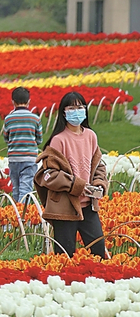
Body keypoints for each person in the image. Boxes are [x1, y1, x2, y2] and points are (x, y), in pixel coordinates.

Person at [33, 91, 108, 258]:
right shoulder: (58, 140)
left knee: (98, 251)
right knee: (64, 256)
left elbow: (98, 165)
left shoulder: (91, 136)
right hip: (64, 207)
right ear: (63, 112)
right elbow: (50, 175)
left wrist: (98, 184)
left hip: (88, 204)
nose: (77, 111)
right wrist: (77, 186)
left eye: (80, 107)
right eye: (72, 108)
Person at [2, 86, 42, 202]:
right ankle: (23, 214)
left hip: (14, 158)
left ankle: (16, 213)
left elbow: (6, 137)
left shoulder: (8, 119)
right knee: (26, 188)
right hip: (29, 158)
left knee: (16, 188)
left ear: (13, 102)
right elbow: (39, 139)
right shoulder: (35, 119)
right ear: (29, 102)